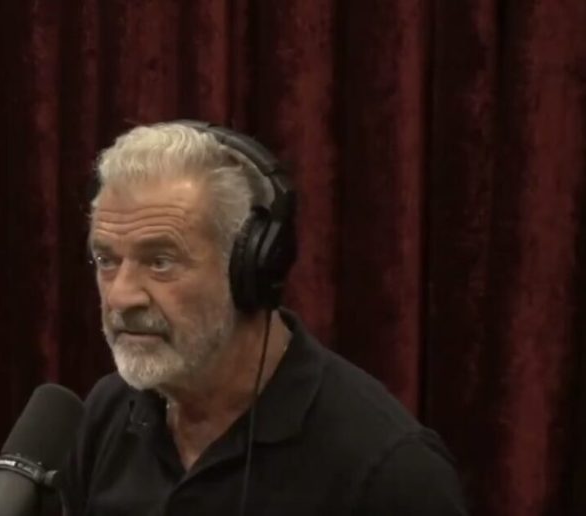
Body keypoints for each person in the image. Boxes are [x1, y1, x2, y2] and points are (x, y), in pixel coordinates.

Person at [60, 121, 469, 515]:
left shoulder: (390, 473)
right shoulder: (108, 413)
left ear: (250, 269)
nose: (120, 296)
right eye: (106, 260)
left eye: (160, 261)